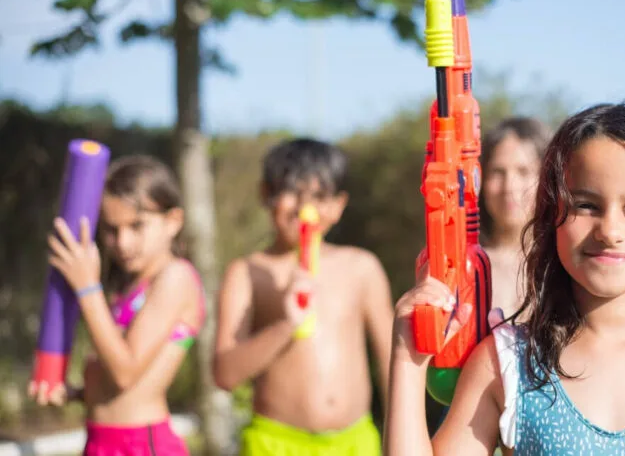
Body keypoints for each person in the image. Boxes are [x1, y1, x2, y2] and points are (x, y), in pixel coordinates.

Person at [385, 103, 625, 455]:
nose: (610, 230)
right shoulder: (507, 364)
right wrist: (407, 358)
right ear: (552, 216)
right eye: (585, 205)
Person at [213, 137, 395, 456]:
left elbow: (392, 362)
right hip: (273, 442)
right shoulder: (247, 272)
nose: (305, 208)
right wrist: (285, 324)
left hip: (356, 442)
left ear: (339, 206)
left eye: (319, 196)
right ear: (265, 194)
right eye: (292, 193)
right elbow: (225, 374)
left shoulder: (361, 267)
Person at [33, 155, 204, 455]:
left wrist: (88, 287)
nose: (122, 243)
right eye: (112, 230)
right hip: (101, 440)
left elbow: (126, 372)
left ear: (173, 221)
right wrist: (76, 394)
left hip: (141, 444)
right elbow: (118, 385)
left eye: (137, 226)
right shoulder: (128, 288)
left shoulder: (175, 277)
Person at [479, 117, 551, 321]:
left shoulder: (565, 265)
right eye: (497, 172)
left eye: (523, 171)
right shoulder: (463, 266)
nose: (509, 186)